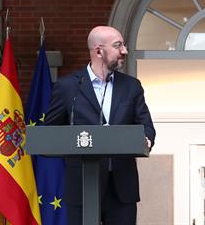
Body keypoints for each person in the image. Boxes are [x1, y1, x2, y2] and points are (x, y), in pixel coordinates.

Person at [45, 26, 156, 225]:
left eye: (123, 45)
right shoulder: (67, 87)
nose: (124, 51)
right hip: (82, 186)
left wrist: (146, 139)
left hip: (121, 189)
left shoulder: (132, 86)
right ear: (98, 51)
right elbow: (49, 133)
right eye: (118, 46)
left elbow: (146, 126)